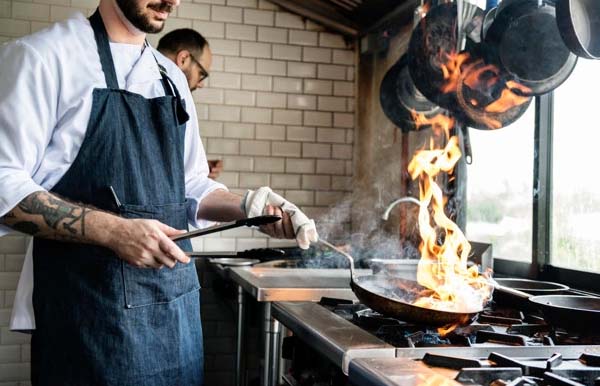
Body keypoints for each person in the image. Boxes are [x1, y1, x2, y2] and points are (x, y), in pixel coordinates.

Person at [0, 0, 318, 385]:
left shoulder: (171, 76)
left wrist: (251, 207)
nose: (173, 1)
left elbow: (192, 185)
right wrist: (116, 232)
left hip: (174, 318)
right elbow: (4, 183)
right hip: (87, 319)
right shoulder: (44, 57)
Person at [157, 29, 221, 178]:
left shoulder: (174, 98)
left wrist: (195, 168)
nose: (201, 84)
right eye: (202, 74)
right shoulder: (161, 98)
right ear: (183, 59)